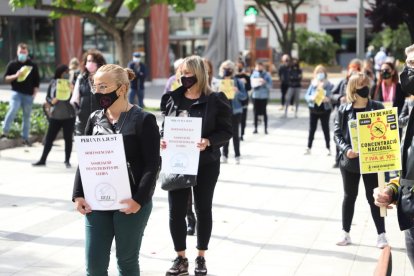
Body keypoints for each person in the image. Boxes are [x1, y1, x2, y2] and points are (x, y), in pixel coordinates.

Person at [72, 64, 160, 275]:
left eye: (103, 86)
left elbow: (153, 164)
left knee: (126, 262)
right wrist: (78, 194)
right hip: (97, 201)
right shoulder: (94, 119)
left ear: (121, 89)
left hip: (130, 203)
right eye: (95, 86)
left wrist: (139, 200)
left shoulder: (143, 120)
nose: (97, 92)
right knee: (94, 265)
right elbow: (86, 159)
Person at [160, 55, 232, 276]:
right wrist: (164, 138)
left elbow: (226, 131)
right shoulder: (173, 98)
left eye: (188, 73)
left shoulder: (216, 99)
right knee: (176, 211)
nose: (183, 77)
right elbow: (166, 126)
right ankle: (180, 258)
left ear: (199, 74)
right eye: (181, 73)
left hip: (206, 163)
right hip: (178, 162)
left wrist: (209, 142)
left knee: (203, 209)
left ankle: (201, 257)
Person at [334, 72, 388, 249]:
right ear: (353, 89)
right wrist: (346, 149)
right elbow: (337, 134)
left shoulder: (377, 107)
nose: (366, 87)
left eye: (367, 83)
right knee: (349, 196)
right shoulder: (343, 110)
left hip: (372, 162)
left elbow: (387, 130)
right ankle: (345, 232)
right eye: (362, 85)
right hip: (350, 163)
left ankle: (381, 235)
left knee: (373, 197)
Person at [374, 44, 414, 268]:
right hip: (410, 219)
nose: (409, 71)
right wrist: (391, 189)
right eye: (408, 64)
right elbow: (409, 174)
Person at [32, 65, 76, 168]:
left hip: (69, 116)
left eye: (68, 72)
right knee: (49, 138)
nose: (66, 74)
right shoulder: (53, 83)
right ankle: (43, 160)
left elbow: (76, 98)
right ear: (60, 72)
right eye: (65, 72)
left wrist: (72, 90)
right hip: (55, 115)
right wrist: (52, 101)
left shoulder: (72, 84)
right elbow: (47, 97)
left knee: (68, 139)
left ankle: (67, 161)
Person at [1, 43, 40, 145]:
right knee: (13, 109)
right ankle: (5, 131)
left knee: (26, 117)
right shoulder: (12, 64)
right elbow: (6, 79)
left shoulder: (33, 65)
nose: (22, 54)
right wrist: (16, 75)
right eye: (20, 52)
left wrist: (35, 93)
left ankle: (25, 138)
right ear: (17, 52)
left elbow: (37, 81)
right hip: (16, 93)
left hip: (28, 95)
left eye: (24, 52)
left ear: (27, 53)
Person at [213, 60, 247, 164]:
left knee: (235, 134)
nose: (226, 70)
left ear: (232, 70)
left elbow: (244, 96)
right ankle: (224, 155)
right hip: (223, 112)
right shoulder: (219, 81)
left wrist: (237, 91)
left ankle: (237, 155)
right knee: (224, 134)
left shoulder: (237, 81)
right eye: (224, 68)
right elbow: (213, 95)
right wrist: (217, 89)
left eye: (229, 68)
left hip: (235, 111)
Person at [331, 59, 362, 168]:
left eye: (356, 68)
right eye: (352, 67)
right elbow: (331, 95)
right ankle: (338, 159)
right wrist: (340, 98)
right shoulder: (342, 82)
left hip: (355, 115)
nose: (353, 70)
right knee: (339, 136)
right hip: (342, 115)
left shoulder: (361, 82)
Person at [70, 49, 106, 135]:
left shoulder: (105, 79)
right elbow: (75, 99)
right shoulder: (81, 79)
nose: (90, 63)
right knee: (84, 147)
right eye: (88, 61)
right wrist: (79, 112)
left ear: (99, 63)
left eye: (93, 61)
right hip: (83, 122)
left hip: (101, 121)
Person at [304, 65, 333, 156]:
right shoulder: (313, 84)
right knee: (312, 128)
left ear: (325, 73)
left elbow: (332, 95)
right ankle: (308, 147)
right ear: (315, 74)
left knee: (325, 128)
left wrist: (327, 98)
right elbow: (306, 96)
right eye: (318, 72)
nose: (320, 74)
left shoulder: (329, 84)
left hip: (324, 109)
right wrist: (312, 97)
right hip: (313, 109)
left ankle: (328, 148)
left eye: (322, 72)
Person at [251, 62, 272, 134]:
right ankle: (255, 128)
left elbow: (270, 86)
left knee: (264, 112)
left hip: (264, 96)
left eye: (260, 67)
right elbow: (252, 85)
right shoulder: (254, 75)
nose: (259, 68)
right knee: (255, 112)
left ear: (263, 67)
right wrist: (256, 83)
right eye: (258, 67)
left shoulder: (267, 75)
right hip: (256, 96)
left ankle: (265, 128)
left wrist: (264, 82)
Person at [235, 60, 251, 141]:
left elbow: (249, 88)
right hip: (235, 101)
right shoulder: (234, 76)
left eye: (240, 66)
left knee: (243, 118)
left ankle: (242, 134)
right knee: (236, 119)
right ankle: (236, 134)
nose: (239, 68)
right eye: (237, 66)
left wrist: (245, 83)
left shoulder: (246, 76)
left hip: (244, 100)